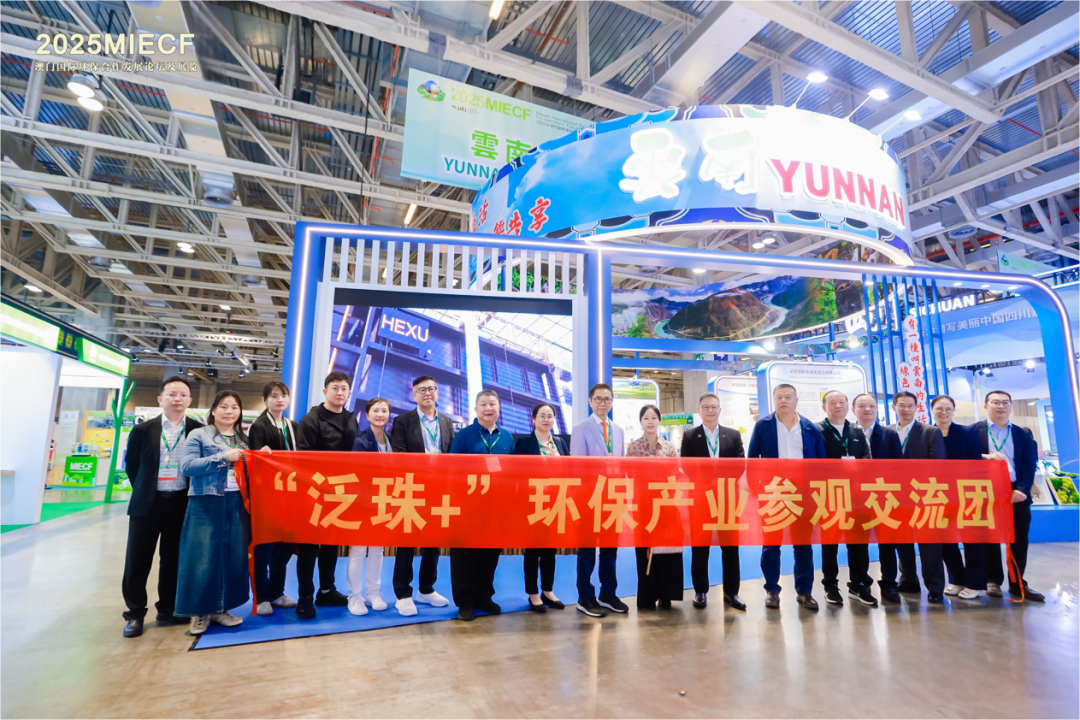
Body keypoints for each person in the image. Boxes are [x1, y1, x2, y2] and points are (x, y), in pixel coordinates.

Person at [121, 376, 204, 638]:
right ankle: (135, 613)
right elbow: (133, 467)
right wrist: (145, 489)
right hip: (148, 504)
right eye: (172, 394)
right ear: (160, 399)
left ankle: (168, 608)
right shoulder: (142, 430)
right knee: (138, 560)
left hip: (181, 503)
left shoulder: (198, 430)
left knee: (173, 559)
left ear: (190, 400)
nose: (177, 399)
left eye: (183, 395)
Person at [175, 391, 255, 635]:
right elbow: (187, 466)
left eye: (234, 407)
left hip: (237, 502)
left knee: (232, 558)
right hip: (206, 501)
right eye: (223, 406)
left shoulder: (243, 439)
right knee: (202, 558)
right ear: (213, 411)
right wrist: (223, 457)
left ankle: (222, 608)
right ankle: (200, 613)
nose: (229, 411)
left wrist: (259, 457)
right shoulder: (199, 435)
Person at [747, 383, 826, 611]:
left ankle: (804, 591)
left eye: (788, 397)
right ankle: (772, 590)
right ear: (774, 400)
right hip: (774, 492)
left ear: (796, 400)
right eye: (779, 397)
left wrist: (817, 493)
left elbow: (822, 464)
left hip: (803, 495)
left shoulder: (810, 428)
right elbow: (752, 460)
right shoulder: (763, 426)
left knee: (803, 545)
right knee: (771, 545)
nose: (783, 401)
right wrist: (757, 491)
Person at [294, 371, 358, 619]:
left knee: (332, 544)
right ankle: (305, 597)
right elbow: (304, 459)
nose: (340, 392)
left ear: (349, 392)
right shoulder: (311, 419)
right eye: (335, 388)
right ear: (325, 391)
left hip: (341, 492)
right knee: (309, 547)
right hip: (315, 492)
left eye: (344, 388)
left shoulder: (351, 419)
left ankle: (326, 590)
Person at [388, 376, 454, 617]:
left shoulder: (446, 421)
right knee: (406, 542)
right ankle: (403, 594)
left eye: (432, 389)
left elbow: (451, 455)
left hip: (439, 489)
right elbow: (399, 455)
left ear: (437, 393)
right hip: (412, 488)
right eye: (422, 389)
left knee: (433, 541)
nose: (428, 393)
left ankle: (426, 589)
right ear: (414, 394)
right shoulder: (402, 421)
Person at [448, 390, 515, 621]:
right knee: (464, 553)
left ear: (499, 408)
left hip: (496, 505)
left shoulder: (506, 437)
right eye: (483, 404)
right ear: (476, 409)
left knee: (490, 552)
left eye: (492, 404)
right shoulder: (464, 435)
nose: (488, 408)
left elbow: (513, 472)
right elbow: (452, 469)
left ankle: (484, 597)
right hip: (468, 504)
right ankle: (465, 602)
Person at [977, 390, 1045, 602]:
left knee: (1018, 538)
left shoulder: (1022, 434)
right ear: (986, 406)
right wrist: (984, 457)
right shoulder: (973, 431)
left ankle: (1017, 583)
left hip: (1015, 491)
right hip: (984, 490)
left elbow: (1029, 465)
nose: (1001, 406)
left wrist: (1022, 489)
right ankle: (992, 580)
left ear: (1010, 406)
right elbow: (964, 457)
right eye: (996, 402)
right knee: (988, 536)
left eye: (1005, 402)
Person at [680, 392, 745, 611]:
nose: (710, 410)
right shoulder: (690, 436)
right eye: (705, 407)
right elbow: (687, 466)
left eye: (714, 406)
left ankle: (732, 592)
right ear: (699, 410)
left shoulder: (733, 435)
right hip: (701, 498)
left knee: (731, 546)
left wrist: (720, 484)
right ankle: (700, 591)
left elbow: (739, 465)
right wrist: (709, 484)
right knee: (700, 545)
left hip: (728, 498)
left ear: (719, 410)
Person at [571, 382, 630, 619]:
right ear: (590, 401)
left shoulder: (618, 430)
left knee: (609, 549)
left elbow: (621, 465)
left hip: (613, 498)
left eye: (607, 399)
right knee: (587, 550)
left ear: (612, 402)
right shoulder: (580, 429)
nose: (602, 403)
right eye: (598, 399)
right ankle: (585, 597)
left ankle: (608, 593)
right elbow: (577, 468)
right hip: (589, 498)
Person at [816, 390, 877, 607]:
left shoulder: (857, 430)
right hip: (829, 495)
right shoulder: (817, 430)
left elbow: (867, 461)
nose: (838, 405)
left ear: (847, 406)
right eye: (832, 402)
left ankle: (859, 584)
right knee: (830, 543)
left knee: (859, 542)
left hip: (856, 496)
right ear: (824, 407)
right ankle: (830, 585)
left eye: (842, 402)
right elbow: (813, 462)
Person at [888, 391, 947, 604]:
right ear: (894, 407)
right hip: (895, 496)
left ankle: (935, 587)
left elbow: (938, 465)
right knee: (902, 541)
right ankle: (908, 580)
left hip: (924, 495)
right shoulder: (887, 432)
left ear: (916, 407)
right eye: (901, 405)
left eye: (910, 405)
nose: (906, 409)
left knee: (929, 543)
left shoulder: (930, 432)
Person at [246, 381, 300, 616]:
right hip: (267, 496)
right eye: (274, 396)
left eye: (283, 395)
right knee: (264, 549)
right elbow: (255, 461)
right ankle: (262, 597)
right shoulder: (258, 427)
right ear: (265, 400)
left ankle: (277, 593)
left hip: (291, 496)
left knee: (285, 548)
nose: (280, 400)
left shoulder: (292, 425)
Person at [513, 402, 569, 613]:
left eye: (550, 416)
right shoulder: (524, 443)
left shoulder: (560, 443)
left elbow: (569, 470)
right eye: (542, 415)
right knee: (533, 549)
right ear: (533, 419)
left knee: (550, 549)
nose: (546, 419)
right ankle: (533, 594)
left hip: (556, 502)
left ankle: (548, 591)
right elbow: (516, 474)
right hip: (533, 502)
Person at [931, 395, 988, 600]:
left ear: (953, 411)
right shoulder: (927, 432)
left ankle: (975, 584)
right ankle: (957, 579)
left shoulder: (966, 432)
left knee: (972, 538)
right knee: (946, 540)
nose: (943, 413)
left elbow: (976, 462)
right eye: (939, 409)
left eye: (948, 409)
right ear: (932, 410)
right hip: (938, 493)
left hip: (966, 492)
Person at [627, 405, 682, 610]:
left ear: (659, 421)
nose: (650, 421)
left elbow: (675, 474)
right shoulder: (633, 448)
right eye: (646, 418)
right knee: (644, 550)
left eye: (654, 418)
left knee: (665, 549)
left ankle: (666, 594)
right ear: (640, 422)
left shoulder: (669, 447)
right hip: (642, 504)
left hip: (665, 503)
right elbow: (631, 475)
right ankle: (647, 596)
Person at [852, 393, 904, 603]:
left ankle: (889, 584)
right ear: (853, 410)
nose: (867, 410)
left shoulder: (889, 434)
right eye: (862, 406)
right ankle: (860, 583)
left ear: (877, 409)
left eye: (872, 406)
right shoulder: (848, 433)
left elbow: (898, 466)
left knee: (887, 542)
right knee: (858, 543)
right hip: (856, 497)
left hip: (884, 495)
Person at [346, 398, 392, 616]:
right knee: (358, 549)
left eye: (384, 410)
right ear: (367, 415)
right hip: (363, 501)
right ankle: (354, 596)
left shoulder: (391, 440)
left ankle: (373, 593)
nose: (380, 414)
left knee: (377, 549)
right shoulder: (361, 441)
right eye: (376, 410)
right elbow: (357, 474)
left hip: (385, 500)